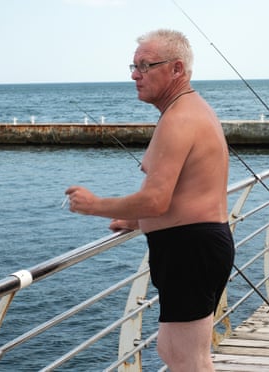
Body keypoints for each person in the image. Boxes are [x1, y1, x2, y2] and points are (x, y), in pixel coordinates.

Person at [64, 29, 235, 371]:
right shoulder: (188, 110)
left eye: (145, 65)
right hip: (194, 247)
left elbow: (156, 200)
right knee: (175, 351)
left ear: (176, 69)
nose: (134, 74)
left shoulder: (179, 118)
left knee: (187, 359)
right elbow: (182, 194)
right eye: (134, 64)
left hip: (191, 250)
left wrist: (94, 205)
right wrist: (135, 220)